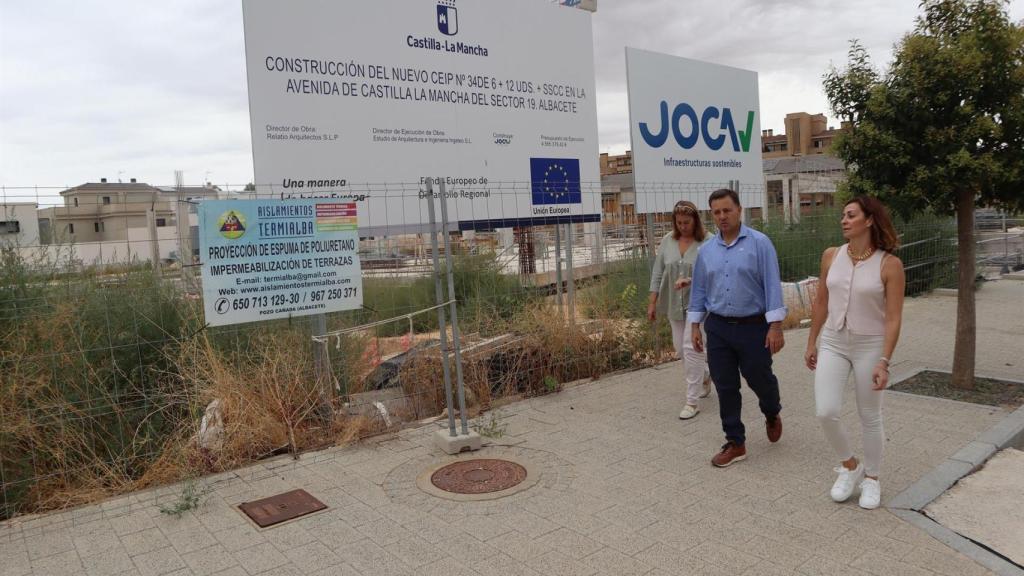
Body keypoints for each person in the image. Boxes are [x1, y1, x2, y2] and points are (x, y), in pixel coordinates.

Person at [805, 196, 905, 510]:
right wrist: (812, 342)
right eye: (843, 216)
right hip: (834, 341)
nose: (844, 220)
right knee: (826, 411)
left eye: (851, 215)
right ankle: (850, 466)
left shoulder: (889, 264)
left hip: (870, 345)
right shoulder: (831, 256)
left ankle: (873, 478)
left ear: (869, 220)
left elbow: (893, 317)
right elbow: (821, 301)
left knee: (869, 415)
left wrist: (884, 360)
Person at [689, 188, 786, 467]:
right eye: (716, 212)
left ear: (739, 210)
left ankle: (771, 410)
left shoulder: (760, 243)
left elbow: (772, 285)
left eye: (726, 210)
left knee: (759, 377)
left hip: (753, 326)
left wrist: (775, 326)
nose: (722, 216)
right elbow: (699, 290)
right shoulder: (706, 251)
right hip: (718, 327)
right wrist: (695, 325)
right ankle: (735, 441)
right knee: (725, 384)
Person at [647, 200, 712, 420]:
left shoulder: (709, 241)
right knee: (680, 348)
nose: (683, 226)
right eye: (679, 222)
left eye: (687, 222)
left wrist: (692, 279)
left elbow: (716, 273)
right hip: (674, 302)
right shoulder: (668, 240)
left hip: (699, 304)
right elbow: (657, 272)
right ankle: (704, 375)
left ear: (696, 221)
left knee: (691, 347)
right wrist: (652, 302)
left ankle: (691, 401)